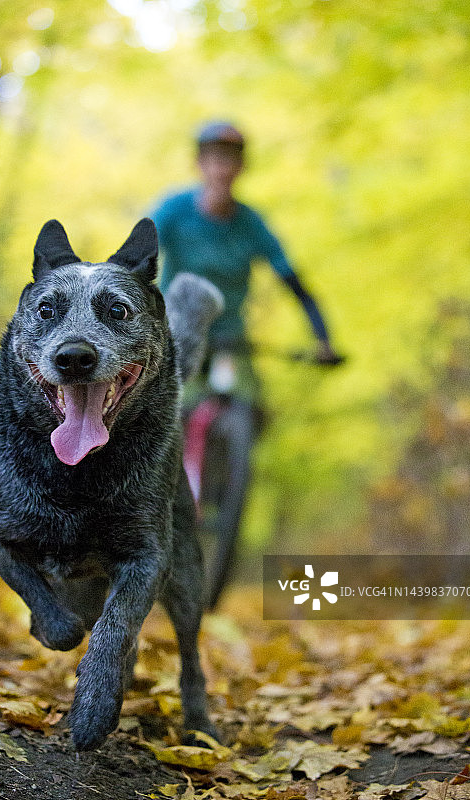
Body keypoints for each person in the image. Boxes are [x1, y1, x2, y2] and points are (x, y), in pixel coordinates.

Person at [150, 120, 342, 607]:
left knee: (252, 410)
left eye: (231, 158)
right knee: (151, 415)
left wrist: (322, 338)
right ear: (199, 163)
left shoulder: (251, 223)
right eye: (214, 157)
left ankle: (222, 481)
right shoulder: (174, 210)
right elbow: (138, 257)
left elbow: (292, 280)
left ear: (241, 167)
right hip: (177, 330)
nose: (222, 167)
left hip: (232, 340)